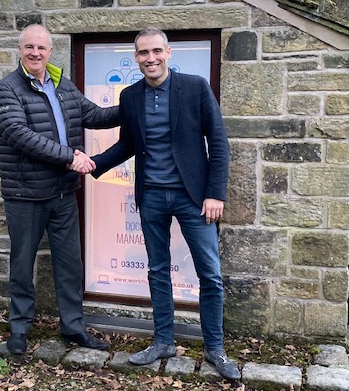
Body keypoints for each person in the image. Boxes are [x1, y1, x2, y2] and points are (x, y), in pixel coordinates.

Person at [91, 27, 241, 380]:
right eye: (143, 53)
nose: (150, 58)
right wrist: (95, 164)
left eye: (156, 51)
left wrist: (215, 192)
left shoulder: (194, 87)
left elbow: (218, 142)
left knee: (210, 275)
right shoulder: (130, 97)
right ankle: (163, 342)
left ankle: (215, 349)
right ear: (136, 57)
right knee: (158, 271)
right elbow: (128, 145)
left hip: (193, 197)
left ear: (169, 52)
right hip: (152, 196)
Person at [0, 24, 120, 355]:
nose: (36, 53)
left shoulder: (62, 84)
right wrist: (70, 158)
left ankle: (73, 328)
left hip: (63, 194)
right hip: (26, 195)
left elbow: (92, 114)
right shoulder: (8, 89)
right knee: (23, 265)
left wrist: (133, 105)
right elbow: (18, 134)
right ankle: (19, 329)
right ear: (20, 50)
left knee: (70, 265)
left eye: (42, 48)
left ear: (50, 51)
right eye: (30, 47)